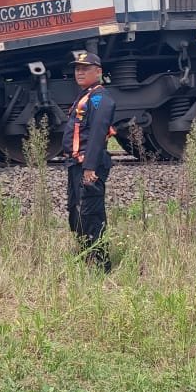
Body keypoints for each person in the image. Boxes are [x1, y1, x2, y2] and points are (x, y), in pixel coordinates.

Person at [61, 51, 116, 272]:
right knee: (76, 213)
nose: (80, 72)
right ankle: (87, 257)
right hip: (77, 164)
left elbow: (97, 134)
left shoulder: (100, 99)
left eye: (85, 68)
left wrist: (90, 167)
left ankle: (102, 266)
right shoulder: (86, 96)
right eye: (77, 69)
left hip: (89, 166)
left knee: (91, 214)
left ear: (98, 71)